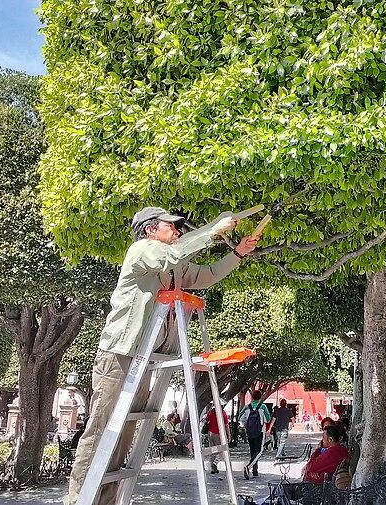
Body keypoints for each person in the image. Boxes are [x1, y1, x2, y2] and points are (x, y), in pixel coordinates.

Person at [66, 206, 258, 505]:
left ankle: (105, 501)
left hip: (145, 358)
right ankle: (79, 500)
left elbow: (206, 275)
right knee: (102, 430)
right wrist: (212, 231)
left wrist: (238, 253)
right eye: (170, 227)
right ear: (150, 230)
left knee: (124, 432)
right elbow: (174, 253)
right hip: (121, 353)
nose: (177, 231)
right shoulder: (142, 250)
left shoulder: (173, 263)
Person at [238, 390, 271, 479]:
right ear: (260, 397)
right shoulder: (263, 406)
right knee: (259, 450)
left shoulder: (247, 407)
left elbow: (239, 417)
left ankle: (255, 470)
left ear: (252, 397)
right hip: (260, 431)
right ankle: (248, 466)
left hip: (249, 431)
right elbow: (268, 419)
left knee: (253, 450)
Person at [204, 403, 229, 475]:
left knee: (212, 450)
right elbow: (226, 425)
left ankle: (212, 468)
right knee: (221, 450)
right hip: (218, 434)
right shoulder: (223, 413)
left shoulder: (211, 412)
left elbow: (206, 420)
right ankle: (215, 462)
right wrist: (228, 435)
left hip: (210, 433)